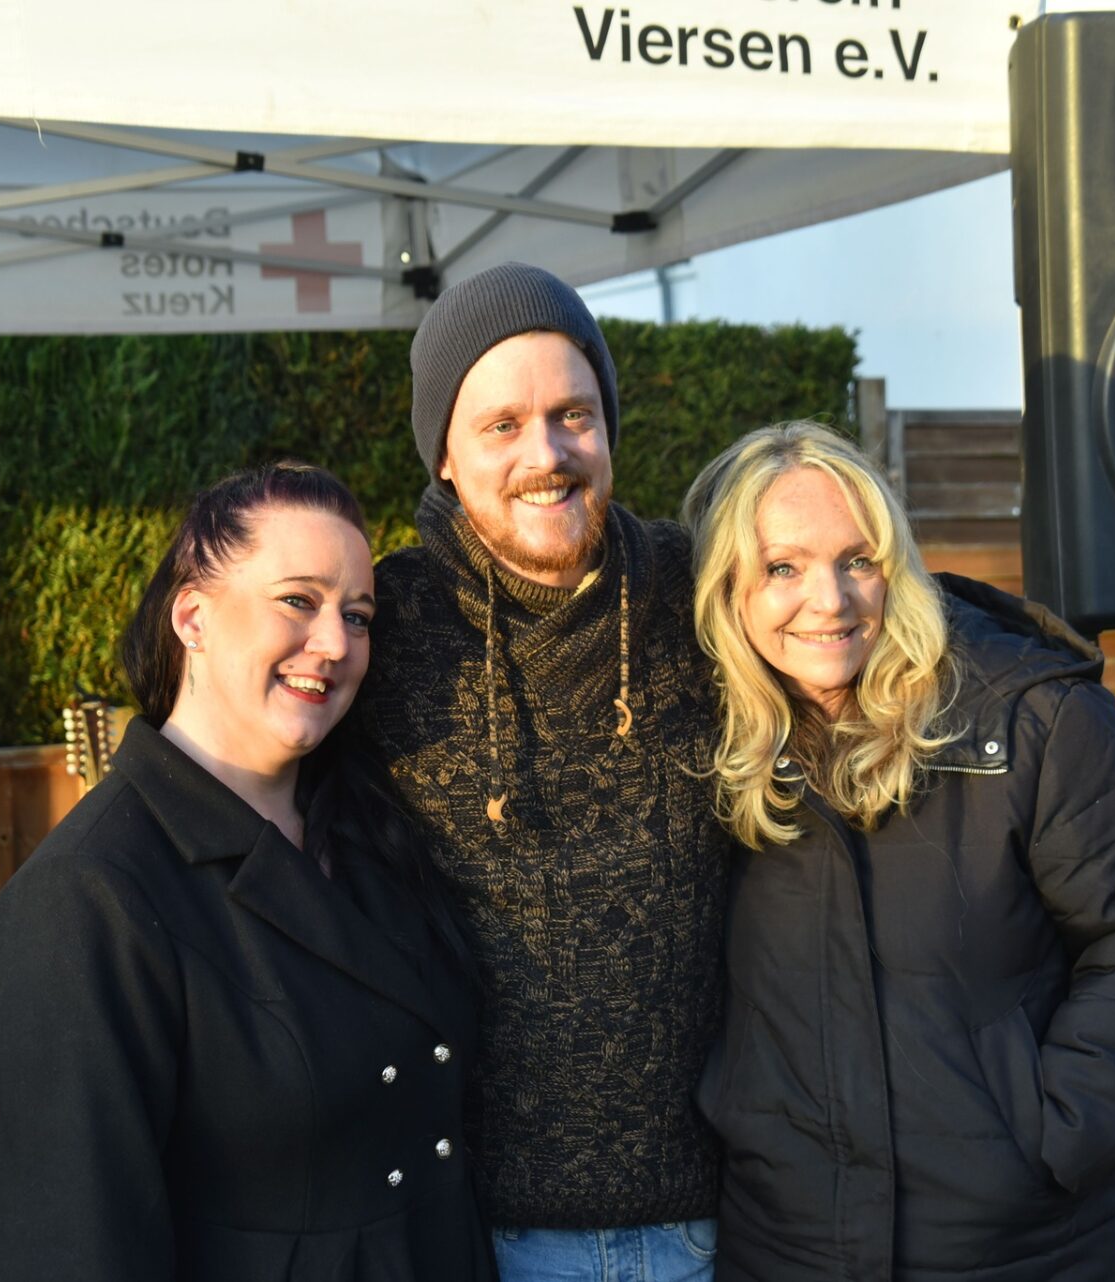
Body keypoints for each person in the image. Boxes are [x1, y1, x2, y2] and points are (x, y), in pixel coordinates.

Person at [681, 421, 1115, 1282]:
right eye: (782, 567)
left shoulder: (1031, 717)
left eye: (858, 560)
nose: (830, 600)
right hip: (786, 1250)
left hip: (1030, 1252)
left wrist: (1058, 1135)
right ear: (727, 589)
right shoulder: (705, 746)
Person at [0, 463, 493, 1282]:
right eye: (298, 601)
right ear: (193, 616)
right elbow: (75, 1247)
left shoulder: (374, 832)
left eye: (357, 615)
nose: (337, 644)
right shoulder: (84, 901)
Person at [356, 263, 727, 1280]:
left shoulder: (702, 594)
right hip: (480, 1236)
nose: (547, 455)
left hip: (720, 1223)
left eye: (573, 415)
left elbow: (853, 614)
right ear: (443, 454)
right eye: (502, 425)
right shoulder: (382, 631)